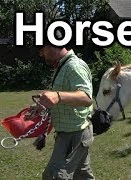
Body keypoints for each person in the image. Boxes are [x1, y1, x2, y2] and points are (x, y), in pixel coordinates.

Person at [37, 39, 95, 179]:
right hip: (70, 132)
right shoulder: (63, 66)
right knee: (82, 175)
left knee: (54, 176)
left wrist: (57, 96)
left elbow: (86, 98)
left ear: (52, 46)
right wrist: (44, 103)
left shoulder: (74, 66)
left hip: (74, 134)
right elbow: (65, 97)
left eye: (41, 50)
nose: (41, 54)